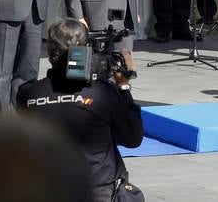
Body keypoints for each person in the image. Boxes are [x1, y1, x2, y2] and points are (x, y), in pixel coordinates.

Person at [17, 19, 143, 201]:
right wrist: (123, 86)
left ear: (50, 51)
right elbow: (133, 138)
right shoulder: (103, 93)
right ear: (85, 50)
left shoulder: (28, 94)